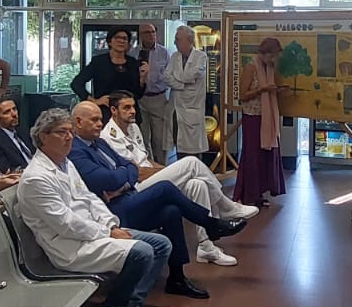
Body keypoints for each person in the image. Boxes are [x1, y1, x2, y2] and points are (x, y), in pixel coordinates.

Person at [15, 108, 169, 307]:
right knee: (142, 252)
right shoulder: (37, 178)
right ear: (43, 137)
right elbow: (65, 223)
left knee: (161, 244)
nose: (69, 138)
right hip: (70, 246)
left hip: (93, 232)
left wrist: (111, 224)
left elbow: (89, 198)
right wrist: (107, 233)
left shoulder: (65, 163)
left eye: (70, 132)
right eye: (62, 132)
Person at [68, 101, 244, 293]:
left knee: (171, 211)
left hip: (127, 196)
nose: (99, 124)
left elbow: (130, 166)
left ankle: (177, 278)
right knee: (165, 188)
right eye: (94, 120)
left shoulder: (100, 143)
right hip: (112, 212)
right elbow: (106, 180)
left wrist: (123, 176)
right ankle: (211, 224)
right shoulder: (76, 151)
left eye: (100, 119)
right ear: (78, 122)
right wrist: (124, 174)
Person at [102, 90, 258, 251]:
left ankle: (206, 247)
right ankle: (227, 207)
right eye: (126, 108)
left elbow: (146, 160)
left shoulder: (133, 127)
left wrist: (169, 171)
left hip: (149, 180)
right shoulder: (108, 137)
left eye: (133, 107)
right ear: (114, 111)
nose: (133, 111)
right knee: (190, 163)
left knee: (197, 184)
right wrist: (174, 172)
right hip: (135, 190)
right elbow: (137, 173)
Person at [234, 36, 288, 205]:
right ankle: (249, 194)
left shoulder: (268, 67)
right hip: (253, 117)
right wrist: (262, 89)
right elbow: (242, 95)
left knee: (265, 154)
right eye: (273, 55)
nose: (274, 59)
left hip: (266, 116)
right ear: (266, 53)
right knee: (252, 156)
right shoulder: (251, 67)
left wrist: (276, 90)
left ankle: (259, 192)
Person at [163, 25, 211, 165]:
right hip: (175, 109)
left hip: (192, 109)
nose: (174, 43)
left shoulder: (201, 56)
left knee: (193, 152)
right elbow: (166, 77)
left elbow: (191, 75)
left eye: (177, 40)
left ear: (189, 40)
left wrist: (177, 79)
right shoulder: (174, 56)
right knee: (179, 146)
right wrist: (181, 84)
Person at [72, 27, 142, 118]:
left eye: (125, 38)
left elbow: (138, 94)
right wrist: (94, 101)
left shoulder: (133, 63)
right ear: (109, 41)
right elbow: (76, 84)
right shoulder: (99, 62)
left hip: (130, 112)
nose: (121, 41)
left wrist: (143, 79)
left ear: (128, 43)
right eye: (117, 38)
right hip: (106, 112)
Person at [136, 21, 173, 164]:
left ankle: (162, 167)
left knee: (159, 138)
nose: (151, 35)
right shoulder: (134, 52)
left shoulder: (164, 52)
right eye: (147, 32)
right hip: (140, 99)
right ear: (140, 35)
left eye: (153, 32)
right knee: (142, 137)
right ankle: (148, 167)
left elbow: (170, 76)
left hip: (159, 98)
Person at [0, 95, 36, 172]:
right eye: (7, 112)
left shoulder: (21, 130)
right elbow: (6, 170)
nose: (14, 114)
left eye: (14, 109)